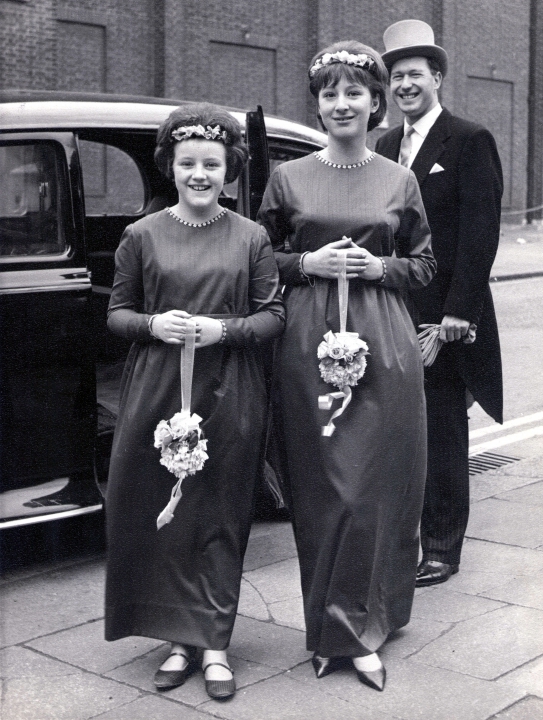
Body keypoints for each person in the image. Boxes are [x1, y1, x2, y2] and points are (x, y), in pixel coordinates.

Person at [258, 41, 436, 691]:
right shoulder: (289, 178)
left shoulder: (399, 180)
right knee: (321, 490)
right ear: (318, 103)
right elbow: (258, 257)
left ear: (374, 102)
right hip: (308, 346)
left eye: (353, 92)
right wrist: (305, 264)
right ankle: (327, 629)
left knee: (373, 492)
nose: (341, 103)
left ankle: (366, 627)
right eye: (329, 93)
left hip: (381, 345)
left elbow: (422, 263)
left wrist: (378, 266)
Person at [104, 103, 285, 700]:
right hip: (157, 390)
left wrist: (223, 332)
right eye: (188, 163)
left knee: (220, 513)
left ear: (230, 168)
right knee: (164, 512)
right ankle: (176, 639)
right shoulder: (142, 235)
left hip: (229, 391)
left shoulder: (252, 237)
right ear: (170, 168)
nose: (200, 174)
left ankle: (214, 644)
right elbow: (118, 315)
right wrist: (155, 325)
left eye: (212, 163)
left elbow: (272, 317)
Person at [376, 20, 503, 587]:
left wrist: (458, 313)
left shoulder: (469, 140)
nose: (405, 85)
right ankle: (406, 535)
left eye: (415, 75)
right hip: (389, 308)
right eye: (397, 76)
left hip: (441, 318)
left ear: (438, 79)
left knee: (442, 428)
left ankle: (442, 548)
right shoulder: (383, 145)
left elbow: (481, 235)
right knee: (399, 427)